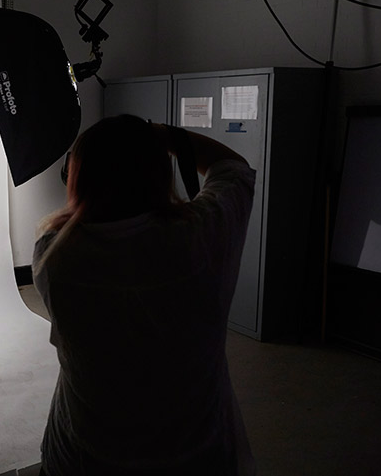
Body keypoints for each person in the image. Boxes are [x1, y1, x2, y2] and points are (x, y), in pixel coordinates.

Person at [33, 115, 257, 476]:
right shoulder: (201, 236)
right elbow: (232, 167)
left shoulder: (53, 254)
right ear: (157, 170)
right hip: (198, 457)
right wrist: (161, 136)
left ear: (77, 176)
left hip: (80, 458)